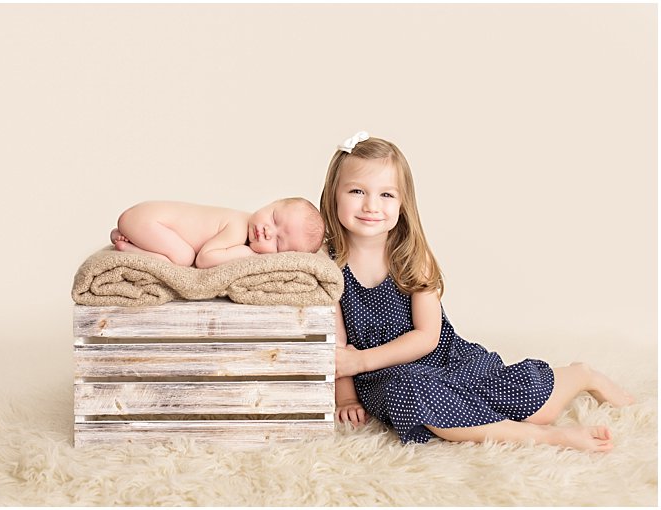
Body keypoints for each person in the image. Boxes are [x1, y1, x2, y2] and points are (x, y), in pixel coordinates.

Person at [323, 131, 632, 451]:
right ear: (334, 194)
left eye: (386, 195)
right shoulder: (327, 266)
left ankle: (581, 375)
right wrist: (346, 396)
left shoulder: (411, 258)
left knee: (536, 405)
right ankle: (550, 438)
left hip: (443, 360)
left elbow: (427, 336)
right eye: (357, 191)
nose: (371, 205)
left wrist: (360, 362)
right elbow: (339, 350)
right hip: (384, 378)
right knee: (411, 390)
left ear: (403, 203)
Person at [109, 198, 326, 268]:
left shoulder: (242, 223)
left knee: (180, 252)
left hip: (143, 219)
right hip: (148, 220)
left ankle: (129, 235)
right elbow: (205, 259)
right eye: (274, 218)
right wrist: (248, 254)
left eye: (278, 243)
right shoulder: (238, 226)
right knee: (184, 258)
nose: (268, 231)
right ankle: (129, 247)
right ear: (272, 203)